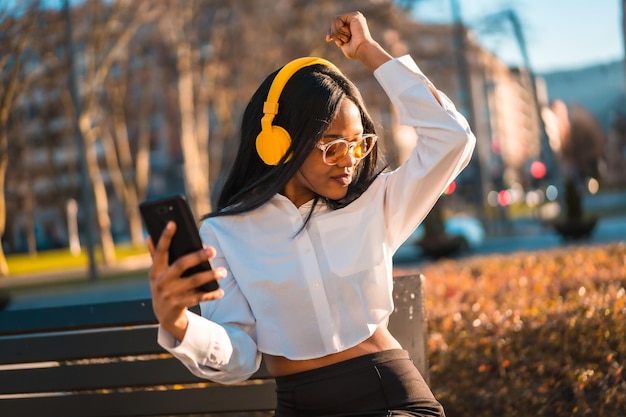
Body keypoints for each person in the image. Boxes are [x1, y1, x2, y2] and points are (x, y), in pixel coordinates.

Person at [147, 11, 476, 417]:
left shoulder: (375, 202)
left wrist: (370, 54)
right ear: (278, 144)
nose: (350, 161)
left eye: (359, 144)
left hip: (391, 397)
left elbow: (454, 139)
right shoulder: (225, 232)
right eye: (333, 145)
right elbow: (240, 357)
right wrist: (179, 324)